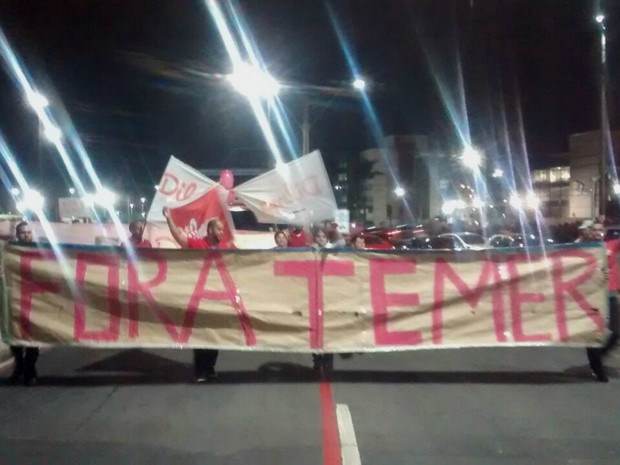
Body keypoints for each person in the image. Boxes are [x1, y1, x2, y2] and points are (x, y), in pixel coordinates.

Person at [162, 207, 233, 382]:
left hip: (218, 298)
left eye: (223, 230)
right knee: (201, 334)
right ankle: (200, 370)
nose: (221, 233)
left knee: (215, 334)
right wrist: (169, 218)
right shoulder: (197, 245)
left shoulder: (226, 248)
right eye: (219, 229)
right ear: (210, 230)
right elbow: (179, 238)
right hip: (200, 299)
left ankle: (210, 368)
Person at [7, 222, 40, 386]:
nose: (26, 235)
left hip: (35, 301)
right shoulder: (9, 251)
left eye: (28, 232)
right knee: (15, 338)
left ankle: (29, 370)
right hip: (14, 300)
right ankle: (20, 366)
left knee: (32, 338)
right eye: (22, 232)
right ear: (17, 235)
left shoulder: (39, 251)